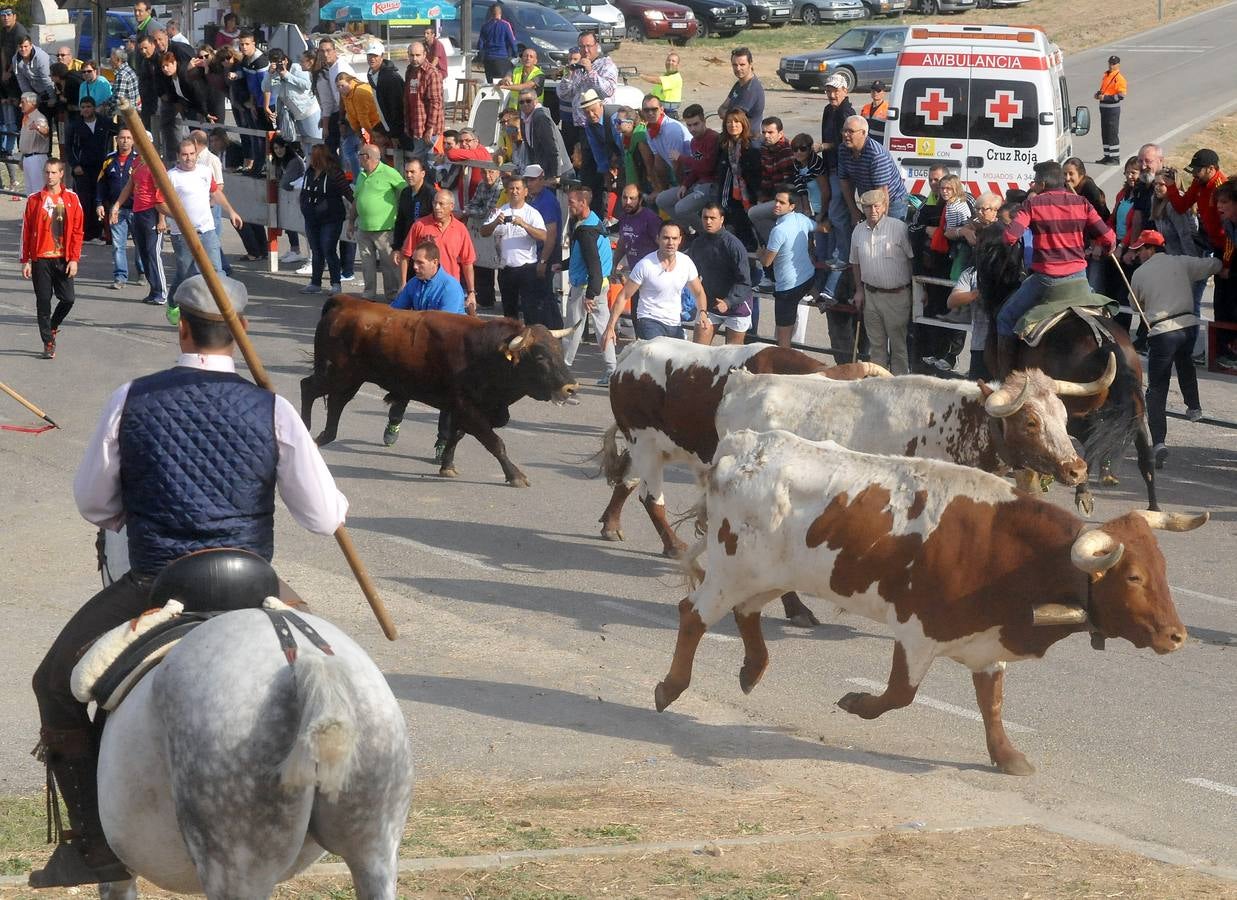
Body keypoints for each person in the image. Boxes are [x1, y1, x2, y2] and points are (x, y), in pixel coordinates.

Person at [28, 273, 347, 888]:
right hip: (256, 585)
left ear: (181, 326)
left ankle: (94, 846)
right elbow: (324, 516)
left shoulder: (132, 399)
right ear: (243, 331)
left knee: (54, 684)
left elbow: (93, 504)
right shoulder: (271, 407)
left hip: (158, 580)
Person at [994, 160, 1116, 378]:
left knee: (1005, 317)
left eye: (1034, 183)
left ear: (1041, 184)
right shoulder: (1082, 203)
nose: (1033, 187)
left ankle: (1006, 377)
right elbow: (1109, 238)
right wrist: (1104, 248)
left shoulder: (1033, 205)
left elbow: (1009, 236)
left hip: (1046, 281)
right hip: (1079, 280)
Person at [1127, 229, 1219, 466]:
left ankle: (1158, 442)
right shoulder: (1182, 262)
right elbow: (1213, 265)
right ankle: (1194, 407)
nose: (1137, 254)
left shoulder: (1138, 274)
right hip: (1188, 327)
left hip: (1162, 332)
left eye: (1140, 250)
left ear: (1151, 249)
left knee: (1157, 388)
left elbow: (1135, 305)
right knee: (1185, 363)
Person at [160, 138, 243, 321]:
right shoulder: (171, 176)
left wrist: (231, 211)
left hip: (207, 230)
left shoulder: (205, 172)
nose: (189, 158)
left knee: (216, 271)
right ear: (178, 156)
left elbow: (215, 192)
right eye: (184, 155)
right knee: (186, 274)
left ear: (196, 154)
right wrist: (177, 218)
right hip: (183, 234)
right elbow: (160, 203)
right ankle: (174, 303)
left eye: (191, 154)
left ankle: (220, 310)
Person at [603, 221, 706, 346]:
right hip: (649, 320)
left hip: (674, 323)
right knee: (657, 359)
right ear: (658, 239)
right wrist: (610, 326)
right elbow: (623, 296)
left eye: (674, 238)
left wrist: (702, 313)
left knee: (676, 363)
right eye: (666, 238)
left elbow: (699, 292)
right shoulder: (645, 264)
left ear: (680, 240)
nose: (670, 243)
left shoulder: (686, 262)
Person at [21, 159, 83, 360]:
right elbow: (26, 231)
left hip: (62, 258)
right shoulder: (34, 199)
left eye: (54, 172)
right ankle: (48, 341)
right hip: (41, 258)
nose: (50, 176)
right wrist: (26, 260)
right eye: (47, 172)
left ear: (61, 174)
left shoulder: (71, 199)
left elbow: (77, 231)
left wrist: (74, 259)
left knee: (68, 299)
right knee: (43, 301)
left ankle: (53, 325)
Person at [850, 189, 914, 374]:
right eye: (868, 207)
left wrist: (917, 291)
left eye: (876, 206)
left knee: (898, 347)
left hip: (897, 295)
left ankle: (899, 387)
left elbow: (912, 259)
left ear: (884, 206)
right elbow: (855, 263)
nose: (872, 210)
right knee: (876, 347)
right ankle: (879, 386)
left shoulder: (899, 228)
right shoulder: (858, 230)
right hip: (870, 295)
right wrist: (859, 290)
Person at [562, 186, 616, 382]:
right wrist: (561, 266)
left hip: (586, 288)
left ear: (583, 203)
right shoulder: (595, 223)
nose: (569, 206)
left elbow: (594, 265)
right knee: (604, 328)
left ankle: (563, 369)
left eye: (571, 202)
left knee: (572, 329)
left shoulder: (585, 232)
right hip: (599, 285)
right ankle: (612, 369)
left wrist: (589, 296)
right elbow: (585, 258)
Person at [481, 175, 548, 323]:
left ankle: (530, 342)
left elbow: (543, 236)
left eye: (518, 188)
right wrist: (495, 224)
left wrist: (524, 225)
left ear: (525, 191)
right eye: (511, 188)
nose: (514, 192)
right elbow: (483, 232)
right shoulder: (500, 211)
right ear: (507, 191)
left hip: (527, 268)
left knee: (530, 311)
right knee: (509, 315)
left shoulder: (532, 213)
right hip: (506, 269)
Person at [111, 142, 168, 306]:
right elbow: (130, 185)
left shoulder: (155, 165)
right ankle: (154, 290)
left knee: (153, 253)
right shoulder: (137, 162)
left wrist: (162, 219)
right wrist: (117, 205)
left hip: (152, 212)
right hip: (138, 211)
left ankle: (162, 292)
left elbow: (161, 193)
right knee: (143, 252)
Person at [402, 189, 477, 311]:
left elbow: (467, 263)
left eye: (441, 204)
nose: (437, 207)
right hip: (424, 287)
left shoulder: (460, 229)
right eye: (434, 203)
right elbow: (406, 254)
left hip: (450, 289)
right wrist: (403, 284)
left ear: (452, 206)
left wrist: (471, 292)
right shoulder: (420, 225)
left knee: (447, 325)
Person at [689, 202, 752, 345]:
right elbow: (690, 272)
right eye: (705, 218)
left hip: (737, 306)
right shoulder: (697, 244)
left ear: (722, 219)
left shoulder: (734, 245)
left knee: (731, 359)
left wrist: (729, 301)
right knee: (698, 352)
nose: (708, 221)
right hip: (710, 305)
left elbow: (745, 281)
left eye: (713, 218)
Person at [760, 186, 815, 348]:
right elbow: (821, 228)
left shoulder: (778, 230)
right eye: (776, 201)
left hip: (787, 288)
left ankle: (783, 369)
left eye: (781, 202)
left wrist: (759, 253)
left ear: (792, 206)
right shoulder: (801, 219)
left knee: (783, 340)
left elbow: (766, 262)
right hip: (808, 279)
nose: (776, 205)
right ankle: (818, 297)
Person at [349, 143, 404, 300]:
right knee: (367, 264)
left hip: (384, 229)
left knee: (389, 265)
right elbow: (356, 199)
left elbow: (405, 190)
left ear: (367, 157)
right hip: (364, 228)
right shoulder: (361, 175)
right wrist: (351, 222)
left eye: (360, 155)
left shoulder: (388, 172)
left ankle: (392, 296)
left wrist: (400, 214)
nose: (358, 158)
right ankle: (369, 294)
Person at [298, 143, 353, 295]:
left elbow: (348, 193)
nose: (311, 158)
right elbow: (304, 192)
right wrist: (303, 207)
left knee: (328, 250)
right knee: (316, 250)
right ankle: (315, 283)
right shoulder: (309, 172)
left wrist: (355, 212)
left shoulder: (334, 173)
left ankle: (336, 284)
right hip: (311, 217)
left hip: (331, 218)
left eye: (314, 155)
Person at [819, 73, 857, 285]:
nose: (832, 94)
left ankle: (845, 255)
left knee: (836, 211)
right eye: (828, 90)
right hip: (831, 165)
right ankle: (839, 252)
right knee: (833, 213)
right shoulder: (828, 110)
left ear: (845, 90)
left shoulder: (847, 113)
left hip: (844, 169)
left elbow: (847, 143)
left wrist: (826, 146)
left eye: (835, 90)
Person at [655, 103, 718, 230]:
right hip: (697, 184)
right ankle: (684, 231)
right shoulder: (694, 142)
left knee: (681, 208)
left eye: (696, 124)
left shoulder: (713, 138)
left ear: (704, 122)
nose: (692, 129)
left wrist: (681, 158)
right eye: (689, 125)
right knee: (662, 199)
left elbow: (707, 167)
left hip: (711, 186)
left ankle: (707, 233)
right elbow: (696, 168)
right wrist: (685, 184)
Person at [837, 114, 909, 225]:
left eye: (850, 131)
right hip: (868, 199)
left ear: (864, 133)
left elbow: (882, 193)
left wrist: (880, 224)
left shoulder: (876, 155)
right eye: (844, 131)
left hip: (892, 200)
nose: (846, 135)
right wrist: (854, 211)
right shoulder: (843, 149)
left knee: (888, 236)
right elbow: (844, 181)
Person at [97, 127, 140, 290]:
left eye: (129, 138)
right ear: (117, 140)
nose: (125, 141)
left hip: (136, 209)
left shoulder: (138, 160)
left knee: (139, 244)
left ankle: (142, 272)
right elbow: (101, 183)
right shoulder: (108, 160)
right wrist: (99, 203)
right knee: (117, 245)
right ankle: (120, 277)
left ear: (133, 141)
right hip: (116, 210)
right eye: (122, 138)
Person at [746, 116, 796, 248]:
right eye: (764, 132)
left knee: (754, 213)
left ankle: (776, 246)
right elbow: (766, 177)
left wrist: (776, 201)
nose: (766, 136)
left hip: (789, 198)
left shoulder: (786, 150)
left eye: (770, 132)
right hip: (772, 194)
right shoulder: (765, 148)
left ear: (781, 133)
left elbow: (789, 184)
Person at [717, 109, 761, 251]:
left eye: (736, 121)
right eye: (729, 122)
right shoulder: (725, 145)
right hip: (735, 194)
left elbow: (757, 174)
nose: (733, 125)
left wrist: (759, 195)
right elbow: (724, 173)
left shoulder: (752, 145)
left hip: (753, 194)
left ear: (744, 124)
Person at [525, 163, 563, 325]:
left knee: (545, 296)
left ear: (541, 179)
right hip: (537, 254)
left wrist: (543, 261)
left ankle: (553, 329)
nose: (529, 184)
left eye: (532, 180)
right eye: (527, 180)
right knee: (538, 295)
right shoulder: (535, 198)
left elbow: (551, 235)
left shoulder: (547, 202)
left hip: (546, 254)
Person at [265, 47, 321, 142]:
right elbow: (265, 88)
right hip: (296, 116)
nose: (278, 65)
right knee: (306, 148)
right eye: (274, 62)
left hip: (309, 112)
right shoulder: (274, 75)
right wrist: (269, 74)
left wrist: (286, 75)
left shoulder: (296, 68)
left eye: (279, 61)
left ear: (285, 60)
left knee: (317, 145)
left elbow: (306, 85)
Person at [946, 264, 988, 379]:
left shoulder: (1014, 269)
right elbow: (951, 301)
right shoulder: (971, 273)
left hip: (1004, 346)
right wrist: (975, 294)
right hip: (980, 346)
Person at [519, 87, 569, 183]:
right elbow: (530, 147)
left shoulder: (540, 117)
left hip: (559, 171)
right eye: (521, 102)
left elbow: (552, 146)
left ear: (536, 101)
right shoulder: (524, 118)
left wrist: (556, 174)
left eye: (528, 101)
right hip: (543, 171)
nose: (525, 104)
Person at [403, 41, 443, 160]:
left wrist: (430, 128)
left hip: (429, 130)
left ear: (425, 55)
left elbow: (435, 103)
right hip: (416, 127)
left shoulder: (431, 73)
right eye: (411, 55)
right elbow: (409, 99)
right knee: (420, 164)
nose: (414, 58)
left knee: (429, 165)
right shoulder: (410, 71)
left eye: (417, 55)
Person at [393, 156, 436, 264]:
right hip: (408, 248)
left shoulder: (431, 194)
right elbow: (400, 222)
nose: (408, 175)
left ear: (422, 173)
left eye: (412, 172)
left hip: (426, 250)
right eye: (407, 172)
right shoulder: (405, 193)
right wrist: (396, 248)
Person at [614, 183, 661, 277]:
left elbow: (664, 244)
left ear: (640, 200)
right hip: (635, 274)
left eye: (632, 198)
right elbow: (622, 243)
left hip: (653, 274)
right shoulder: (624, 217)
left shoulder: (650, 218)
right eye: (624, 198)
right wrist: (614, 264)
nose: (627, 202)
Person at [363, 40, 403, 152]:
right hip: (387, 128)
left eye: (375, 55)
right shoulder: (371, 74)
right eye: (370, 55)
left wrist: (395, 134)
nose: (372, 58)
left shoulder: (391, 77)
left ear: (382, 56)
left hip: (398, 130)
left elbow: (397, 107)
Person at [717, 47, 763, 128]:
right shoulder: (738, 84)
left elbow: (735, 118)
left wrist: (726, 114)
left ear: (750, 64)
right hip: (734, 136)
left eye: (742, 65)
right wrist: (726, 114)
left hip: (748, 138)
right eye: (735, 65)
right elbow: (722, 107)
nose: (738, 68)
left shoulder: (751, 89)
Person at [1094, 55, 1126, 165]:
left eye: (1113, 64)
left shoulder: (1119, 78)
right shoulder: (1106, 75)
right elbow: (1105, 89)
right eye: (1110, 63)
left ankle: (1115, 158)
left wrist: (1106, 98)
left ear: (1118, 65)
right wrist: (1098, 94)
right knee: (1105, 133)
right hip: (1104, 109)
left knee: (1112, 133)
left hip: (1112, 110)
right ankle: (1107, 156)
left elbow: (1121, 95)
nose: (1111, 65)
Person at [17, 91, 50, 194]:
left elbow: (46, 132)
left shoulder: (39, 117)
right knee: (30, 192)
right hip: (28, 158)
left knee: (38, 191)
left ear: (32, 103)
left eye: (23, 102)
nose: (20, 105)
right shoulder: (26, 118)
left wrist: (38, 128)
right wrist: (22, 157)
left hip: (36, 158)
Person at [478, 3, 518, 83]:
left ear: (491, 13)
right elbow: (512, 41)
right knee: (501, 84)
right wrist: (515, 54)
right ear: (500, 13)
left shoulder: (485, 26)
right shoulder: (506, 25)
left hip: (488, 59)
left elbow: (480, 44)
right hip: (501, 58)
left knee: (490, 84)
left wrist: (480, 58)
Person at [497, 47, 544, 111]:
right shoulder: (515, 69)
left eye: (531, 57)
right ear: (521, 59)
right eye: (525, 56)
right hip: (515, 111)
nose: (528, 58)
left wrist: (504, 87)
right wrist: (505, 80)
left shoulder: (539, 74)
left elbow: (524, 87)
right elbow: (507, 77)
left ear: (535, 61)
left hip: (533, 111)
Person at [639, 51, 681, 119]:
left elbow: (656, 80)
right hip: (659, 112)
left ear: (678, 64)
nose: (670, 62)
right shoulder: (665, 76)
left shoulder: (676, 78)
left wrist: (641, 76)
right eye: (668, 60)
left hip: (669, 114)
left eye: (673, 61)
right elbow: (653, 94)